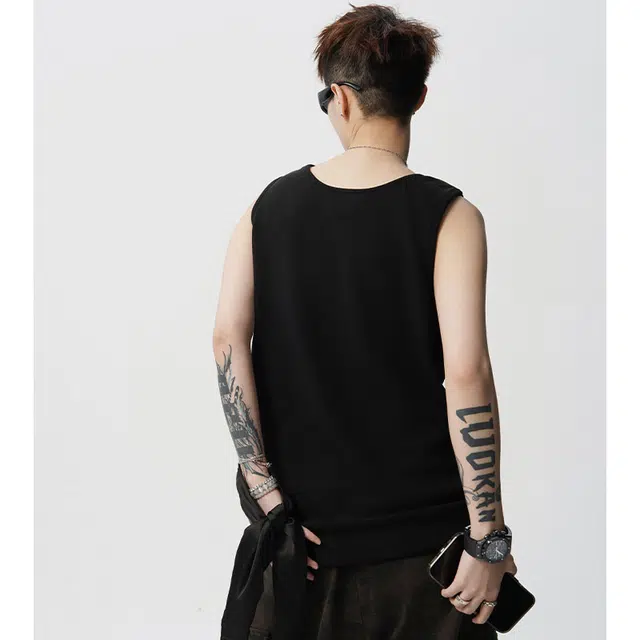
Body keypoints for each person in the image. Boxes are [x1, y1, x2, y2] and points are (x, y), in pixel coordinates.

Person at [213, 4, 517, 639]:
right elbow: (467, 372)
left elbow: (227, 340)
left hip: (302, 548)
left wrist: (264, 491)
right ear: (419, 97)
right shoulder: (451, 215)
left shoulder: (266, 210)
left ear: (341, 98)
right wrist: (487, 537)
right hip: (425, 556)